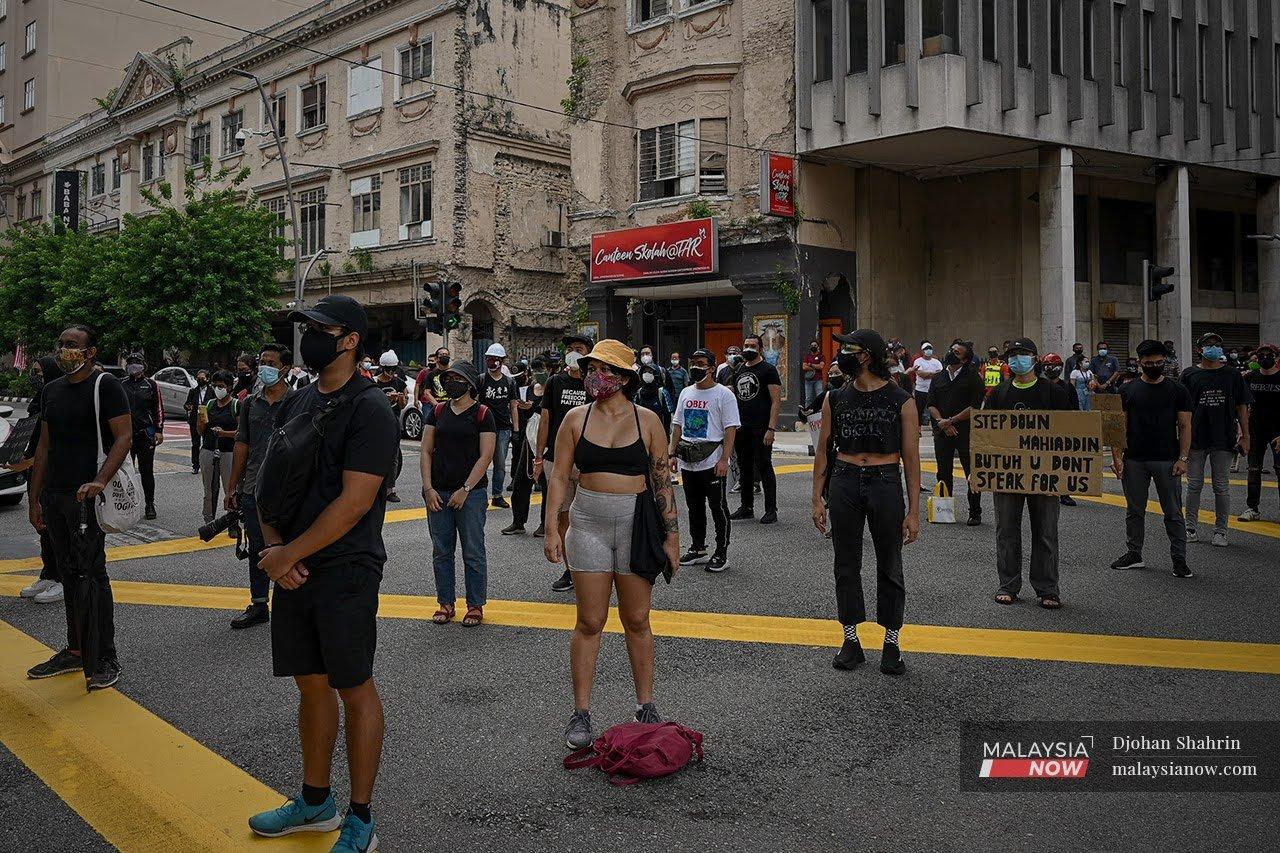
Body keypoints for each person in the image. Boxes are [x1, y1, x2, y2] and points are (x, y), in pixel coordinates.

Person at [248, 295, 398, 851]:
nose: (308, 338)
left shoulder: (371, 408)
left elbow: (356, 501)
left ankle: (361, 817)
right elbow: (268, 482)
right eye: (305, 328)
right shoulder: (298, 400)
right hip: (293, 563)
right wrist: (275, 547)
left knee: (353, 686)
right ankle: (315, 802)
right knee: (310, 684)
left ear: (351, 340)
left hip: (346, 567)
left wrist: (289, 554)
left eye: (320, 329)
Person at [542, 339, 679, 749]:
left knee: (637, 619)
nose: (594, 376)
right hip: (587, 524)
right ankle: (581, 712)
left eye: (603, 369)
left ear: (622, 378)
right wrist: (551, 528)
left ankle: (645, 705)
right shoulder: (575, 419)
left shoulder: (648, 420)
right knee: (589, 622)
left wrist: (673, 537)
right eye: (590, 369)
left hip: (636, 525)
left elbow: (662, 480)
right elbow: (560, 476)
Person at [25, 325, 131, 690]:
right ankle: (76, 649)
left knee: (92, 575)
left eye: (72, 344)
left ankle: (104, 656)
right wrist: (35, 498)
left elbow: (124, 437)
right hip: (55, 496)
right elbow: (44, 447)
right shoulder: (52, 391)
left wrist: (100, 480)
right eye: (61, 344)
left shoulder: (106, 386)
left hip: (87, 498)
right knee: (68, 574)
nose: (63, 350)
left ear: (90, 352)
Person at [812, 329, 920, 676]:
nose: (843, 355)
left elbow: (911, 458)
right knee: (845, 562)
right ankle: (850, 640)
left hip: (885, 481)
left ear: (868, 355)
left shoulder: (901, 399)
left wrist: (914, 511)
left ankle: (891, 641)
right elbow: (823, 449)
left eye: (850, 349)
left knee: (890, 562)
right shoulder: (834, 398)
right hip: (844, 480)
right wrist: (817, 498)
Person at [982, 338, 1072, 610]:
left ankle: (1047, 588)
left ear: (1034, 358)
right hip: (1007, 473)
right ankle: (1008, 585)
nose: (1016, 359)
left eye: (1022, 354)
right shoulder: (999, 393)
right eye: (1012, 355)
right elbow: (985, 435)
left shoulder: (1053, 392)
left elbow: (1071, 433)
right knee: (1006, 531)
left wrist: (1064, 473)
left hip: (1045, 474)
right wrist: (979, 470)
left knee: (1046, 532)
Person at [1110, 340, 1194, 578]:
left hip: (1167, 460)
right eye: (1149, 363)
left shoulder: (1178, 390)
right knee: (1134, 511)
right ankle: (1134, 554)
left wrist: (1183, 458)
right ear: (1140, 363)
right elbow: (1118, 427)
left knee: (1173, 512)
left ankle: (1179, 560)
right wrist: (1117, 457)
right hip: (1134, 459)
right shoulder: (1127, 390)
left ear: (1165, 361)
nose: (1155, 366)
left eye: (1159, 362)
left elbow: (1185, 425)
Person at [423, 361, 496, 627]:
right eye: (448, 378)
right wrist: (428, 488)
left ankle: (475, 604)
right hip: (438, 492)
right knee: (441, 551)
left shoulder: (482, 413)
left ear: (470, 383)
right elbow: (426, 450)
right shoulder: (438, 411)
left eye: (457, 378)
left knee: (473, 551)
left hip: (471, 495)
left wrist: (465, 489)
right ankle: (445, 602)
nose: (451, 382)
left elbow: (486, 456)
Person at [225, 344, 294, 629]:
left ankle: (292, 604)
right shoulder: (250, 403)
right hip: (254, 487)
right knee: (257, 548)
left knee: (290, 546)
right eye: (262, 361)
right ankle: (259, 604)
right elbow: (242, 444)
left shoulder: (297, 401)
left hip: (288, 489)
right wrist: (232, 487)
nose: (264, 367)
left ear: (285, 369)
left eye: (271, 363)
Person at [670, 349, 739, 573]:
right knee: (694, 506)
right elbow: (677, 425)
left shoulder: (724, 395)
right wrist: (672, 453)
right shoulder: (686, 392)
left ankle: (721, 552)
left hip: (712, 460)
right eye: (693, 363)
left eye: (700, 363)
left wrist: (724, 460)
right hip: (689, 460)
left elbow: (730, 429)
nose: (695, 367)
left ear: (711, 368)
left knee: (718, 507)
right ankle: (698, 548)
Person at [1182, 332, 1252, 546]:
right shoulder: (1189, 374)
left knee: (1221, 486)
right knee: (1194, 485)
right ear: (1199, 350)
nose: (1213, 347)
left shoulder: (1232, 375)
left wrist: (1246, 436)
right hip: (1195, 438)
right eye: (1208, 344)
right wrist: (1180, 438)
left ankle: (1221, 531)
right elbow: (1181, 409)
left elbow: (1242, 406)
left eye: (1217, 344)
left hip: (1223, 438)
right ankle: (1190, 528)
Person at [535, 335, 592, 590]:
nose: (573, 353)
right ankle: (571, 571)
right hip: (557, 459)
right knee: (563, 516)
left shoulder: (594, 383)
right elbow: (545, 420)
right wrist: (538, 457)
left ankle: (591, 568)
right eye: (569, 349)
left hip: (587, 459)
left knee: (588, 517)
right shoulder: (555, 382)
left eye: (579, 349)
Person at [12, 357, 66, 604]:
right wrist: (20, 457)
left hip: (56, 474)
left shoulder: (59, 402)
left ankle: (63, 579)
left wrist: (28, 462)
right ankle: (49, 573)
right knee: (43, 526)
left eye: (39, 373)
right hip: (36, 473)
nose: (35, 378)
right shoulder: (40, 400)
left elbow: (54, 446)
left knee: (58, 528)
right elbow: (33, 440)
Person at [925, 339, 985, 525]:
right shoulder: (939, 377)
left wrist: (951, 421)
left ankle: (975, 511)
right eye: (951, 350)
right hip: (942, 431)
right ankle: (944, 510)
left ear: (965, 360)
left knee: (970, 471)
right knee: (943, 472)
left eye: (957, 353)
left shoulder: (973, 377)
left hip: (965, 431)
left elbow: (974, 406)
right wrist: (942, 423)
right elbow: (931, 404)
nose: (951, 354)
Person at [729, 334, 782, 524]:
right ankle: (746, 507)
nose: (748, 348)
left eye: (753, 345)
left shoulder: (768, 370)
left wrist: (771, 428)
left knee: (764, 466)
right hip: (742, 427)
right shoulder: (739, 370)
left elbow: (776, 401)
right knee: (744, 467)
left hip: (761, 427)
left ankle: (771, 510)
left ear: (760, 348)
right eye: (746, 345)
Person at [504, 357, 546, 535]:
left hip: (548, 440)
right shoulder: (529, 389)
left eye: (541, 369)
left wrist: (534, 407)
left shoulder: (554, 387)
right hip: (529, 438)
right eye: (535, 370)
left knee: (547, 484)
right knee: (521, 481)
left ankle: (545, 524)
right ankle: (518, 521)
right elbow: (524, 414)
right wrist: (526, 409)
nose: (539, 373)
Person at [120, 352, 164, 520]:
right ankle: (126, 505)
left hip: (145, 434)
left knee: (147, 471)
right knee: (125, 471)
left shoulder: (151, 385)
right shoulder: (121, 384)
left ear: (143, 365)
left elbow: (158, 409)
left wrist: (159, 430)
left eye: (137, 362)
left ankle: (150, 504)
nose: (133, 365)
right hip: (126, 435)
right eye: (130, 363)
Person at [1240, 343, 1280, 521]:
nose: (1265, 357)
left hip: (1278, 432)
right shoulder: (1250, 377)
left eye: (1269, 354)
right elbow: (1242, 405)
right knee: (1253, 470)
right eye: (1261, 354)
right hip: (1255, 431)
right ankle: (1252, 508)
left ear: (1276, 357)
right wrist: (1243, 432)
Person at [478, 343, 519, 510]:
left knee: (500, 464)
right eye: (488, 359)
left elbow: (513, 406)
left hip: (503, 428)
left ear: (501, 361)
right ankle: (480, 495)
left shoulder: (509, 382)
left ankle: (497, 495)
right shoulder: (481, 380)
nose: (491, 362)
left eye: (494, 359)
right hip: (484, 428)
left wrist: (516, 430)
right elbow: (475, 403)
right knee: (481, 462)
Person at [199, 371, 239, 529]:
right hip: (208, 449)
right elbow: (201, 431)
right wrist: (200, 422)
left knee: (230, 488)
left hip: (229, 452)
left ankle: (233, 522)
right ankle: (208, 521)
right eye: (215, 386)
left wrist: (224, 433)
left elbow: (242, 433)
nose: (217, 389)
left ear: (229, 387)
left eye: (221, 386)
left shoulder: (236, 405)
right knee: (208, 488)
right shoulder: (209, 405)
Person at [1041, 352, 1082, 507]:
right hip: (1044, 431)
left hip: (1063, 430)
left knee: (1063, 462)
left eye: (1055, 366)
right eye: (1048, 366)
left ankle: (1064, 493)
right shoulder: (1039, 387)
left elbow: (1075, 409)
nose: (1052, 369)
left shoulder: (1067, 387)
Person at [373, 350, 407, 503]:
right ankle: (374, 487)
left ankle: (390, 489)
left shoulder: (399, 382)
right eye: (388, 369)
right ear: (382, 368)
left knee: (393, 457)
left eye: (394, 369)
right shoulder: (374, 383)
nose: (391, 373)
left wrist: (400, 398)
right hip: (376, 423)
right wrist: (385, 398)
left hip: (393, 422)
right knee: (375, 454)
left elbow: (403, 404)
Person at [184, 369, 211, 473]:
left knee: (207, 442)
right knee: (195, 443)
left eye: (202, 378)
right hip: (195, 419)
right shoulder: (193, 391)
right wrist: (187, 406)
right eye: (198, 378)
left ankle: (207, 463)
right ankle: (195, 465)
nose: (200, 380)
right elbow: (187, 403)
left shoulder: (212, 391)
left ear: (207, 379)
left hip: (207, 419)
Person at [634, 362, 672, 435]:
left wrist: (666, 434)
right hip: (643, 432)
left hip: (659, 432)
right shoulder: (639, 393)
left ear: (655, 375)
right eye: (645, 372)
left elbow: (667, 416)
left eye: (650, 372)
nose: (647, 374)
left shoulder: (662, 392)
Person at [911, 342, 942, 425]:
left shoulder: (937, 362)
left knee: (934, 410)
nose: (928, 350)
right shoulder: (918, 361)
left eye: (930, 349)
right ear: (922, 351)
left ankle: (935, 427)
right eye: (926, 349)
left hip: (933, 390)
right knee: (919, 410)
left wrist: (928, 374)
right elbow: (921, 374)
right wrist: (933, 374)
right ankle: (918, 428)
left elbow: (940, 375)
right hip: (921, 390)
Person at [803, 339, 826, 408]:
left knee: (819, 397)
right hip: (808, 380)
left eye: (815, 345)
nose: (813, 347)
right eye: (812, 345)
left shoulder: (821, 356)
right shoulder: (807, 356)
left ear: (818, 347)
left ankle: (820, 412)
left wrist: (811, 365)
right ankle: (807, 412)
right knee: (808, 398)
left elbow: (821, 366)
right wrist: (815, 367)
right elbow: (804, 367)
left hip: (818, 380)